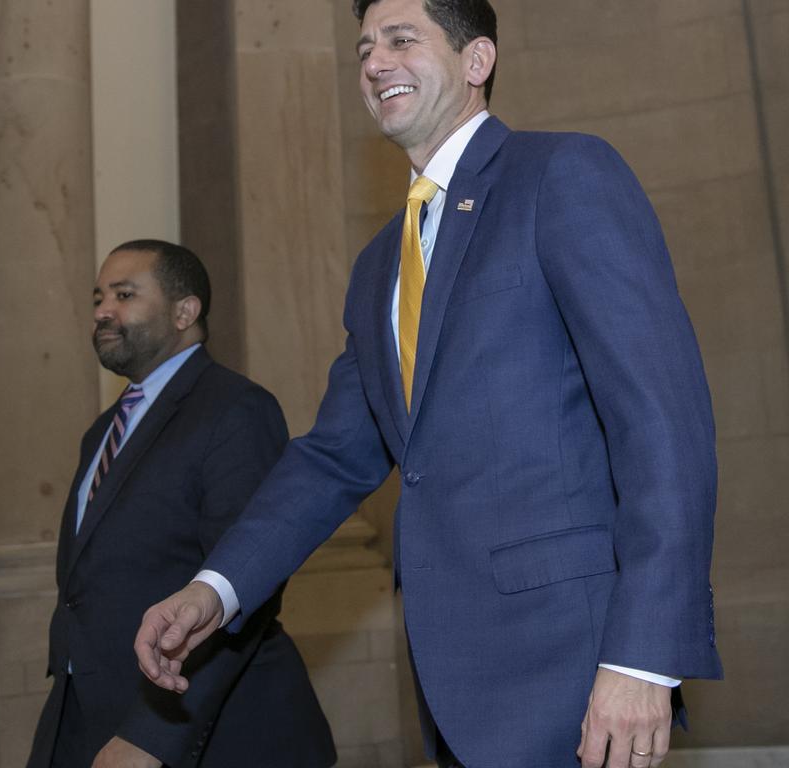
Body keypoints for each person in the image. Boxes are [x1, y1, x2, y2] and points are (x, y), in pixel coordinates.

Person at [133, 1, 723, 767]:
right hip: (451, 684)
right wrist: (216, 587)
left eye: (402, 40)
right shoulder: (381, 263)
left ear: (477, 62)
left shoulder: (562, 174)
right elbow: (336, 455)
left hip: (576, 668)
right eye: (364, 48)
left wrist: (643, 658)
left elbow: (662, 425)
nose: (375, 63)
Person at [25, 240, 335, 768]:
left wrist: (152, 733)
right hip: (90, 715)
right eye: (98, 297)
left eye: (124, 294)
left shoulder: (236, 409)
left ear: (184, 311)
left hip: (207, 731)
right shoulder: (103, 431)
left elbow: (247, 588)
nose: (102, 310)